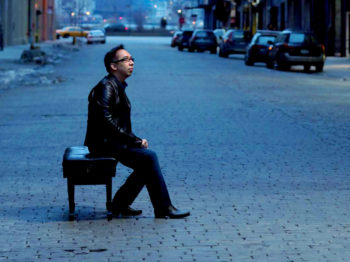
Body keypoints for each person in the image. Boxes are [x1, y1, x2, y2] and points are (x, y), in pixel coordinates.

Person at [84, 45, 190, 219]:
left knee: (146, 161)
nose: (131, 62)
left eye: (132, 59)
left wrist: (133, 141)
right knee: (149, 157)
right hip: (103, 144)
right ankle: (163, 207)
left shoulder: (116, 85)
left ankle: (120, 203)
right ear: (113, 66)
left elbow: (115, 125)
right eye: (125, 60)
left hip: (112, 142)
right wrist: (135, 140)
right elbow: (106, 123)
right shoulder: (106, 87)